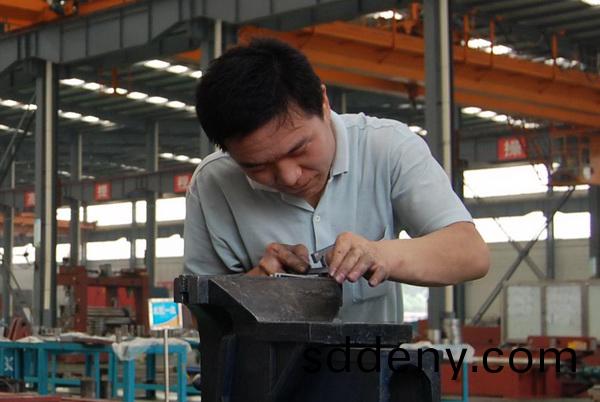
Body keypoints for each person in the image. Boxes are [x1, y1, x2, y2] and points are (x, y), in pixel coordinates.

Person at [183, 38, 489, 323]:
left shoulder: (387, 147)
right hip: (263, 364)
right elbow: (200, 318)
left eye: (299, 149)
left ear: (323, 103)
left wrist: (380, 254)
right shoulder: (213, 184)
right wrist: (255, 288)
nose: (290, 176)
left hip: (372, 361)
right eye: (258, 166)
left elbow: (470, 253)